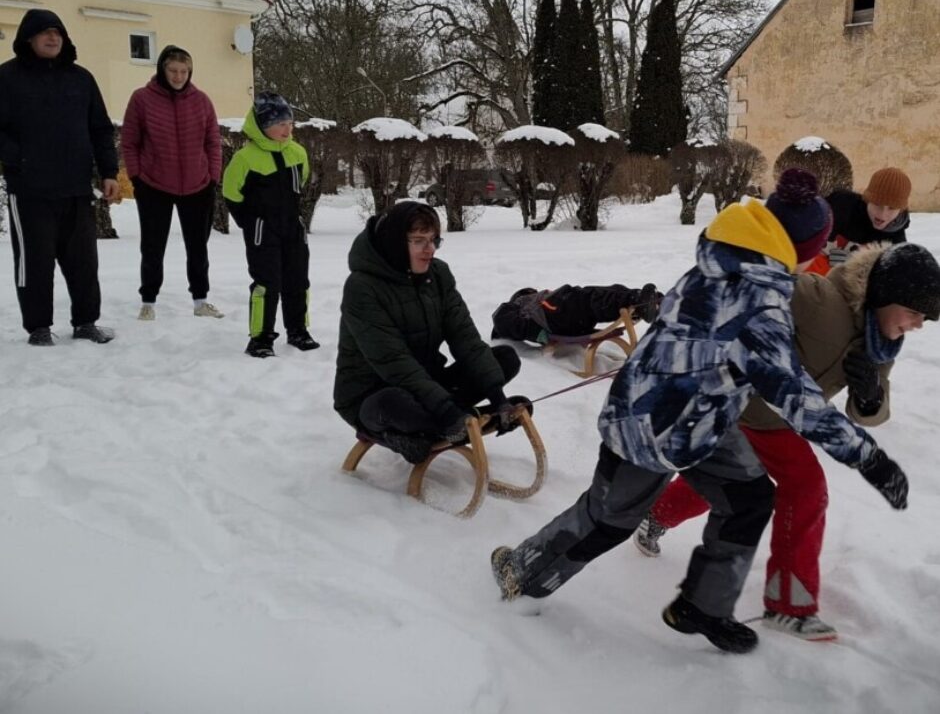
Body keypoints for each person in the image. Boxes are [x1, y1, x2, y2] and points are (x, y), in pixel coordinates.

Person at [489, 170, 909, 654]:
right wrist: (870, 460)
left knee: (749, 500)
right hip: (648, 423)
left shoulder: (728, 256)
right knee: (608, 520)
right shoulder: (759, 301)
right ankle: (523, 571)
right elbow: (795, 396)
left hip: (706, 419)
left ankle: (703, 606)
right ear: (799, 248)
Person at [634, 240, 940, 641]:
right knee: (778, 485)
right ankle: (787, 604)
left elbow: (869, 413)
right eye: (915, 313)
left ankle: (658, 515)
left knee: (752, 483)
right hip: (735, 401)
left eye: (926, 319)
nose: (918, 325)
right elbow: (748, 293)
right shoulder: (817, 298)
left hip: (777, 421)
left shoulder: (880, 343)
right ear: (886, 295)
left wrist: (869, 394)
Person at [334, 200, 526, 465]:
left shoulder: (437, 274)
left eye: (434, 240)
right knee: (395, 402)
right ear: (395, 243)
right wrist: (447, 410)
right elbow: (394, 362)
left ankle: (440, 423)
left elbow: (465, 338)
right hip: (373, 396)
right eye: (419, 241)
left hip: (427, 386)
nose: (430, 250)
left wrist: (498, 398)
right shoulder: (362, 287)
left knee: (504, 358)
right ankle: (441, 421)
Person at [0, 9, 119, 345]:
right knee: (34, 262)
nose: (53, 38)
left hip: (76, 188)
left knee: (83, 262)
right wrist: (19, 158)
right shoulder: (7, 78)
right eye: (45, 33)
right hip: (30, 190)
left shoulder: (81, 79)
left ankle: (85, 322)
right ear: (28, 38)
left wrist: (109, 172)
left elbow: (99, 128)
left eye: (58, 33)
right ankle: (38, 328)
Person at [121, 45, 223, 321]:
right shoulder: (142, 99)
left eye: (184, 71)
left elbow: (213, 141)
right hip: (154, 185)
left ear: (190, 72)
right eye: (173, 70)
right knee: (153, 246)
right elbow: (129, 142)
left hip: (198, 185)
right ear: (162, 70)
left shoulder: (201, 101)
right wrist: (137, 177)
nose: (178, 76)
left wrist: (213, 175)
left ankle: (201, 300)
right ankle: (148, 301)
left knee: (198, 247)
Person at [222, 91, 319, 358]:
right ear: (263, 126)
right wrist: (250, 222)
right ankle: (261, 337)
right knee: (267, 282)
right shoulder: (246, 158)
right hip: (263, 231)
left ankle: (298, 330)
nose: (287, 130)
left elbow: (303, 181)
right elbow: (231, 192)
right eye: (280, 125)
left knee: (298, 279)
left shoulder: (298, 153)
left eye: (289, 124)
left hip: (293, 228)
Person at [806, 166, 911, 275]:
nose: (882, 214)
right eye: (877, 204)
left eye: (892, 208)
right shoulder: (841, 205)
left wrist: (852, 263)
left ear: (901, 210)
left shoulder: (896, 244)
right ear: (867, 199)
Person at [491, 282, 663, 344]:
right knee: (586, 298)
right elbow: (500, 319)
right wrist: (538, 334)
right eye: (530, 291)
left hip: (558, 315)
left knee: (599, 294)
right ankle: (638, 299)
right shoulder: (517, 306)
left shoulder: (531, 304)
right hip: (550, 318)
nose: (534, 291)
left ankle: (643, 300)